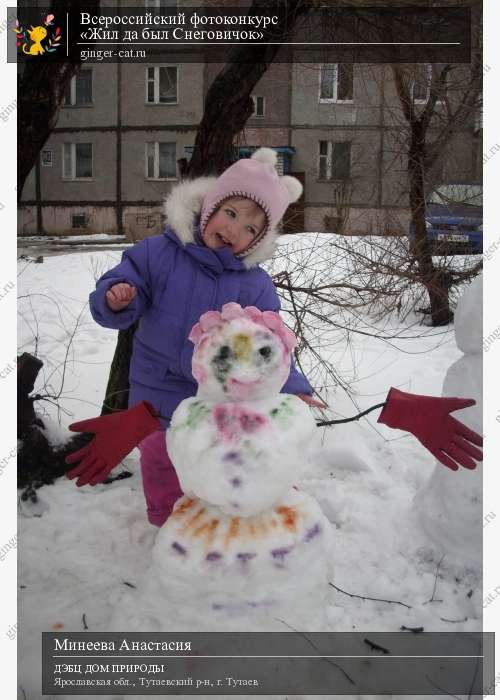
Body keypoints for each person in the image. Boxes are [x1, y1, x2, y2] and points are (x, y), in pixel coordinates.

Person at [76, 148, 322, 526]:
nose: (234, 230)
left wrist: (292, 382)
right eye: (231, 213)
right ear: (210, 206)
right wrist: (120, 296)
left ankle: (210, 520)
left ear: (258, 241)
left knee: (210, 457)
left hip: (215, 399)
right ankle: (166, 523)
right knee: (160, 458)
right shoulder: (157, 254)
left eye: (251, 229)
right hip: (154, 389)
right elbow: (126, 285)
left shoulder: (253, 286)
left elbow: (269, 347)